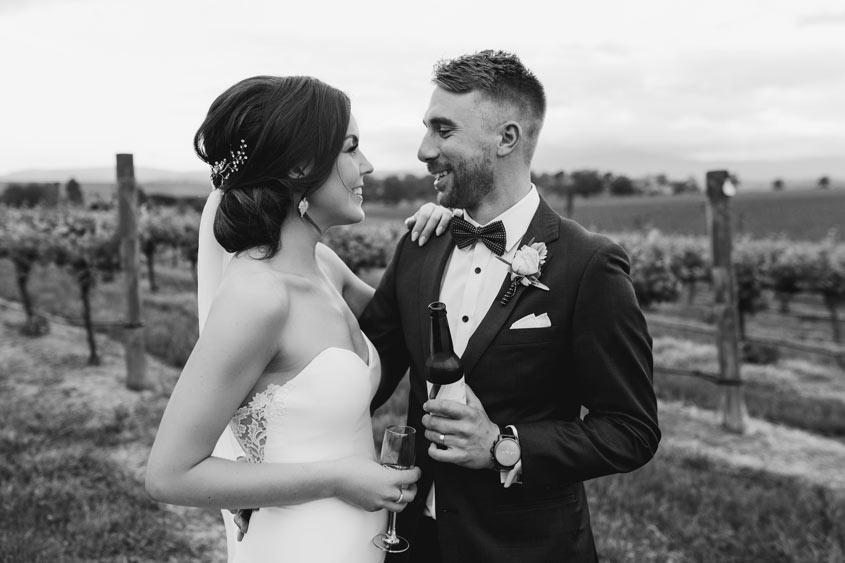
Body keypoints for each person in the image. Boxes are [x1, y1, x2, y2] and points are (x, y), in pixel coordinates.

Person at [360, 50, 661, 562]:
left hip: (527, 549)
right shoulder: (420, 244)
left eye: (443, 130)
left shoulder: (588, 264)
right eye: (426, 129)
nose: (424, 150)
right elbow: (365, 375)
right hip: (411, 542)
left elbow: (631, 429)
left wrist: (505, 445)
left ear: (506, 139)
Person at [145, 75, 451, 563]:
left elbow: (418, 325)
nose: (367, 165)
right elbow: (169, 475)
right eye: (351, 148)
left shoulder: (325, 266)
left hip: (359, 542)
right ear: (299, 168)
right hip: (298, 545)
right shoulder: (258, 297)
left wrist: (443, 233)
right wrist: (337, 477)